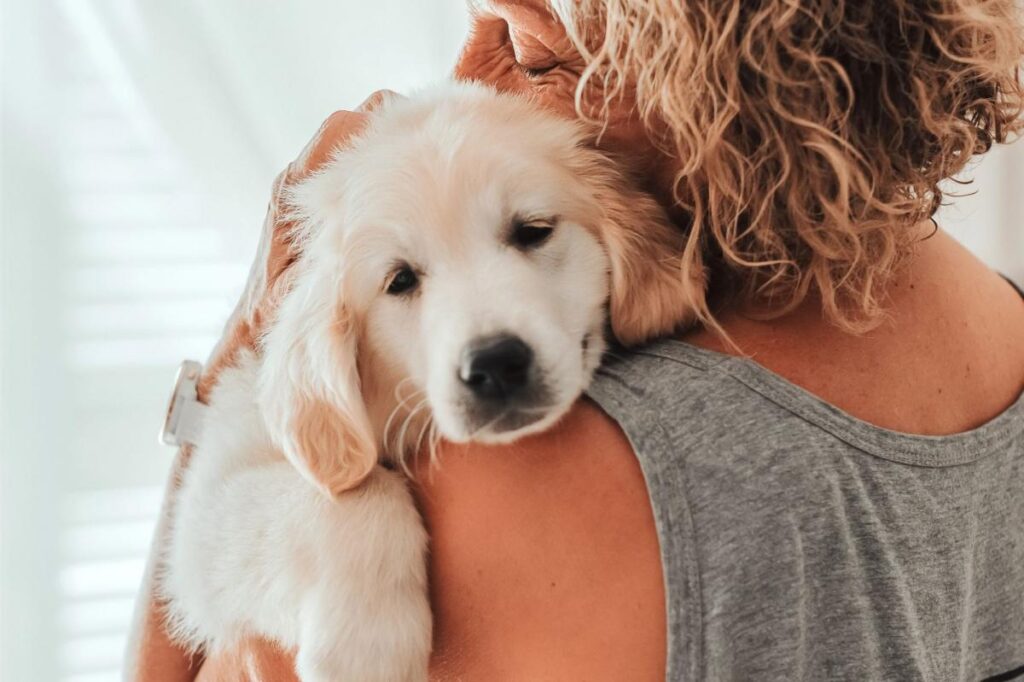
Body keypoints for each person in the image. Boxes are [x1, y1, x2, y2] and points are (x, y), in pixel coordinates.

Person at [127, 0, 1024, 679]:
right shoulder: (1003, 317)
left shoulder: (537, 478)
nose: (470, 77)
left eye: (530, 51)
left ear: (707, 75)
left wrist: (247, 334)